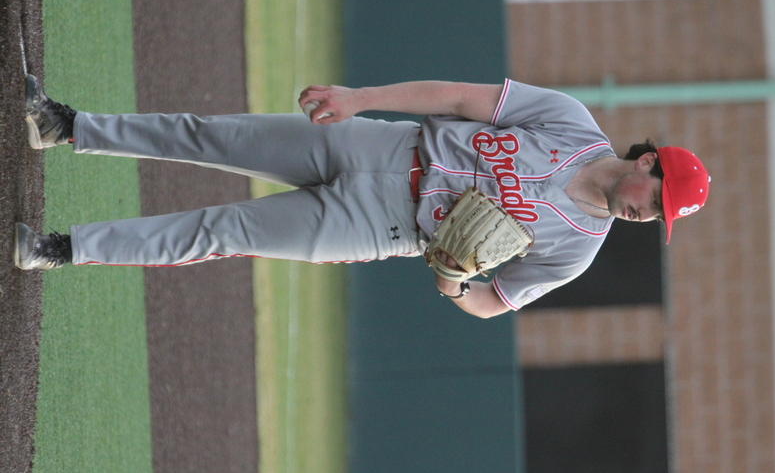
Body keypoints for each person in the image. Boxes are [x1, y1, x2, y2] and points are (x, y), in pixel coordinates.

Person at [14, 75, 710, 318]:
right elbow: (460, 97)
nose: (647, 214)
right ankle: (67, 126)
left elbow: (490, 304)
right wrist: (361, 99)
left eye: (658, 217)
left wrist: (451, 277)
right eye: (658, 197)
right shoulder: (569, 121)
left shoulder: (577, 249)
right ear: (648, 161)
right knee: (211, 135)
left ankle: (57, 249)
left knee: (218, 232)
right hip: (380, 146)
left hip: (378, 226)